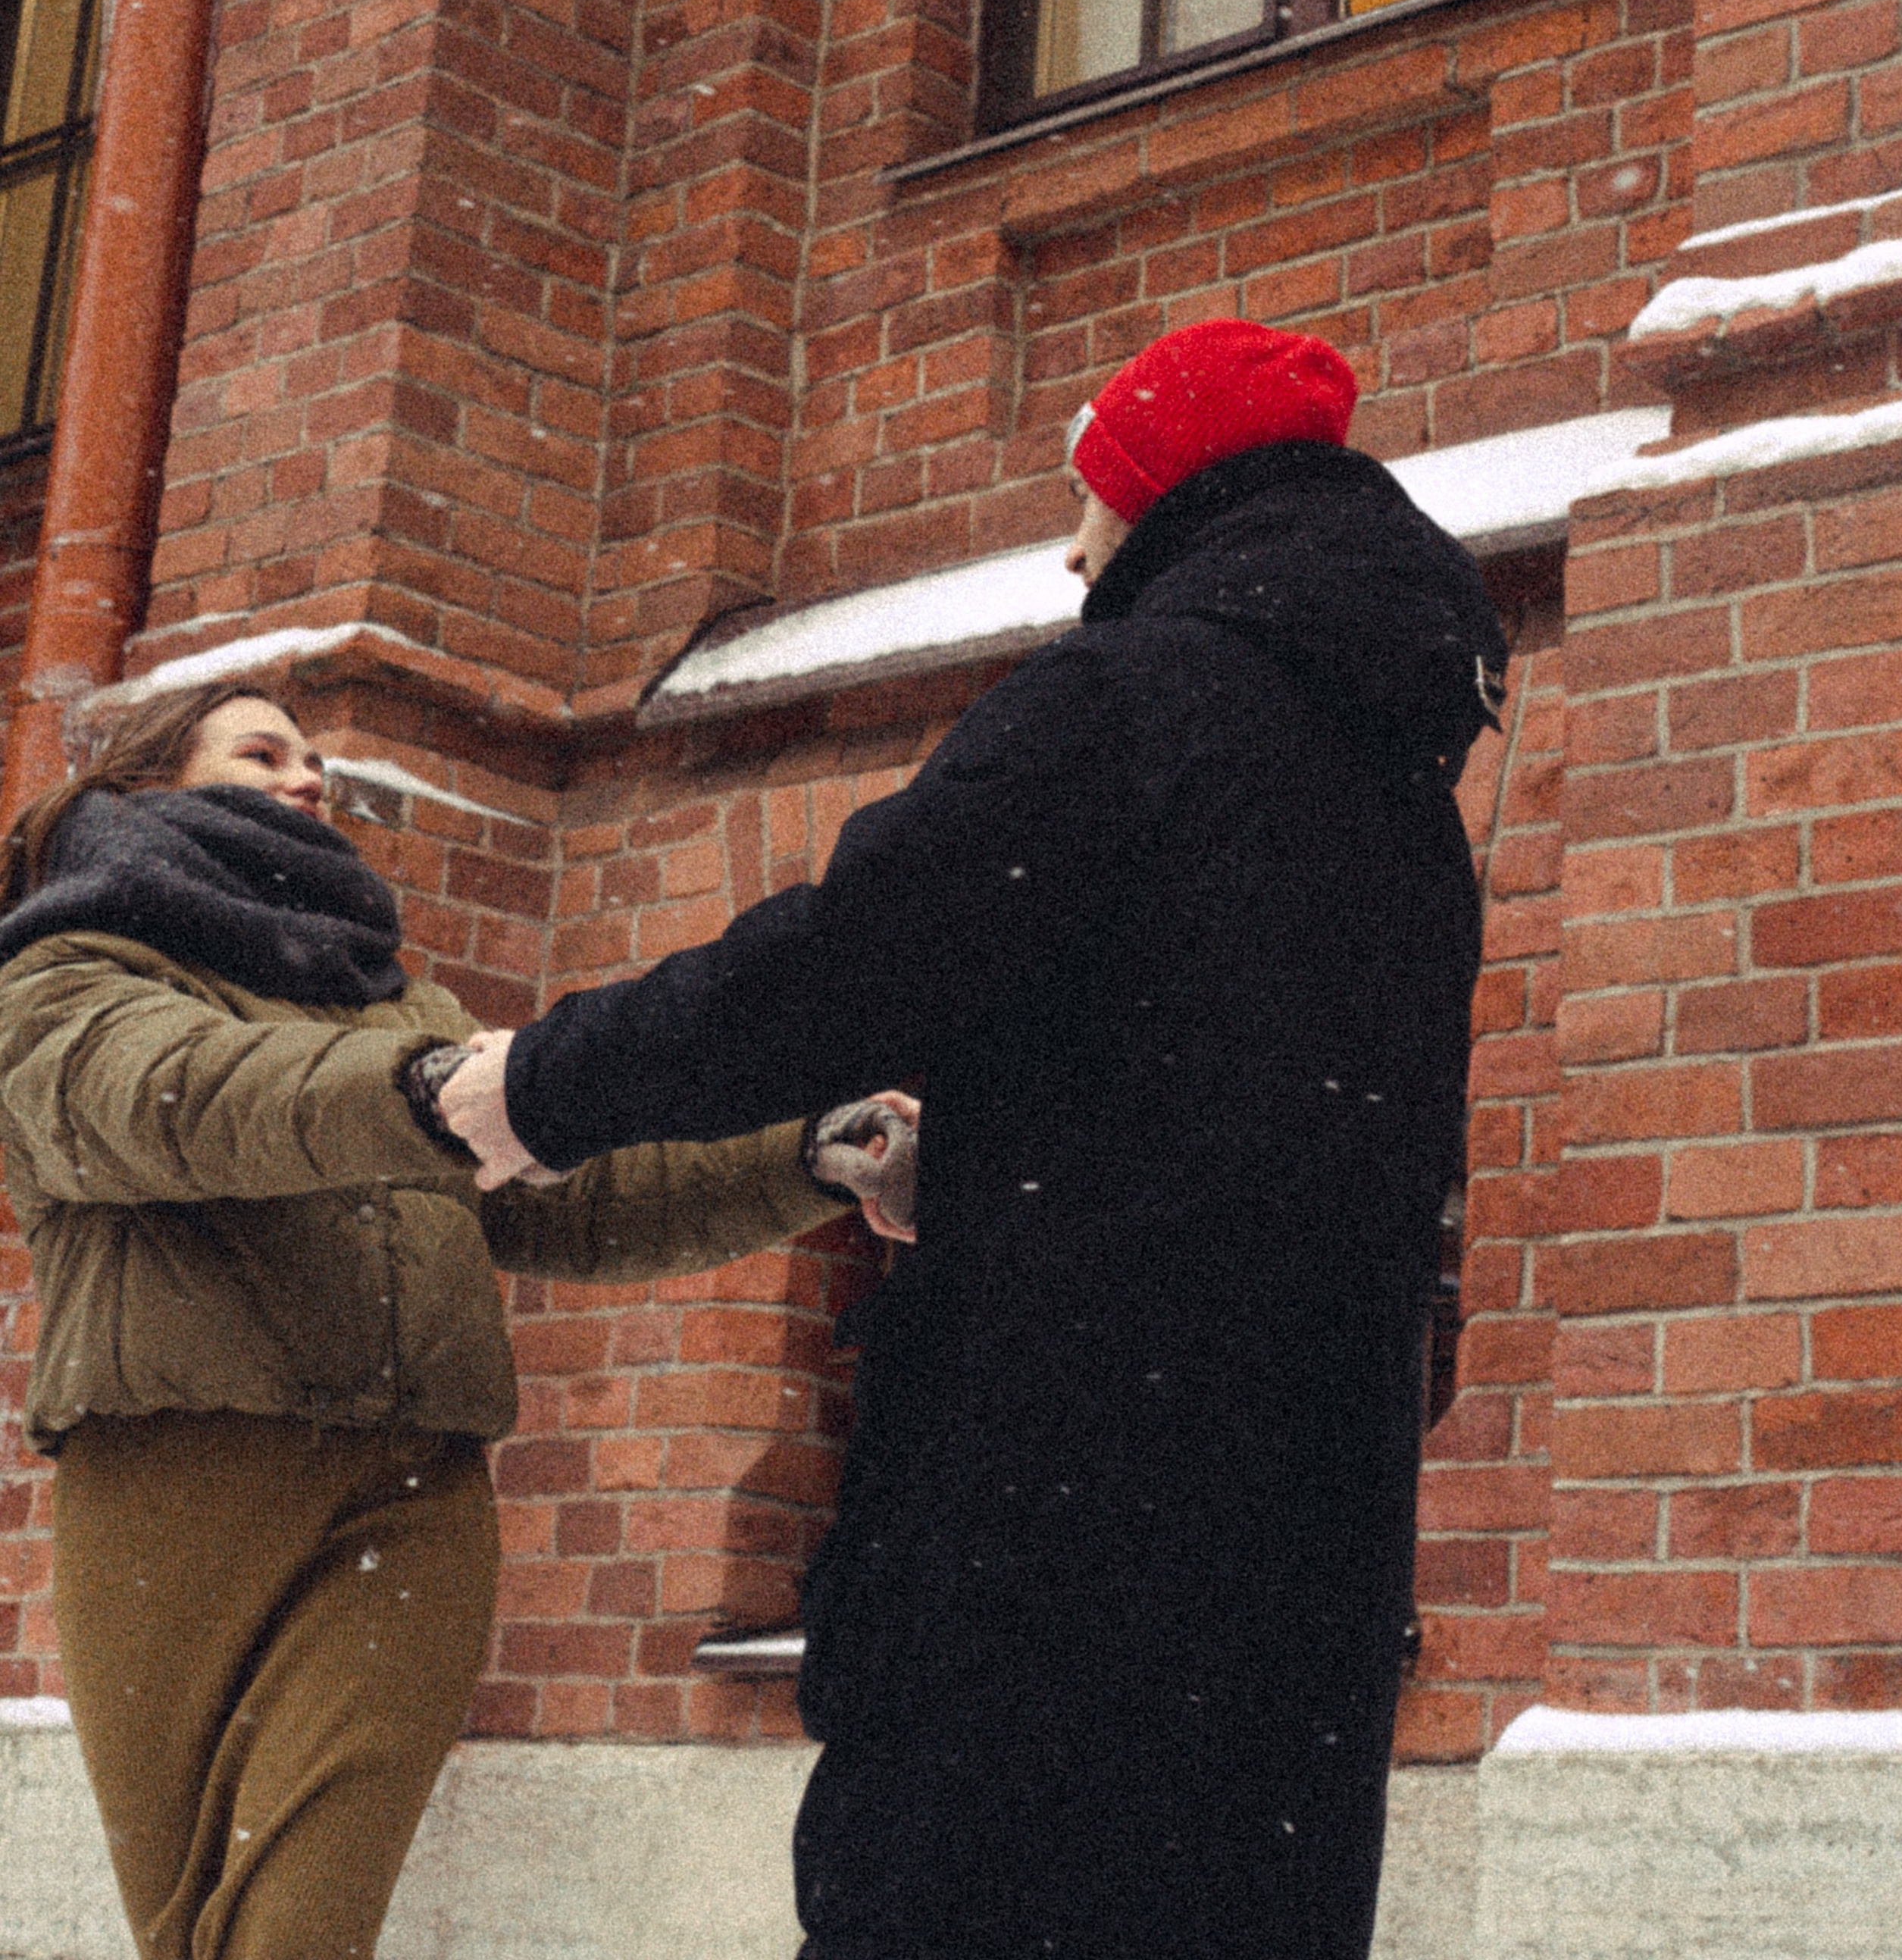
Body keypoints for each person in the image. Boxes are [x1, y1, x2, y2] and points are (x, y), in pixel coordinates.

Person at [440, 317, 1509, 1960]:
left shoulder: (1131, 697)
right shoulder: (1395, 789)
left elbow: (845, 961)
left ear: (1162, 495)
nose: (1072, 538)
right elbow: (1243, 1117)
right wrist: (1006, 1153)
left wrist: (538, 1088)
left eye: (1092, 493)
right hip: (1293, 1559)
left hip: (1056, 1521)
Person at [0, 678, 860, 1960]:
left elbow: (587, 1196)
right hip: (179, 1486)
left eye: (315, 760)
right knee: (197, 1932)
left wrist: (809, 1158)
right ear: (146, 788)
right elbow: (176, 1096)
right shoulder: (69, 977)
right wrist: (427, 1091)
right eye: (264, 749)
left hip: (410, 1499)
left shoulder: (404, 1012)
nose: (310, 776)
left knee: (301, 1930)